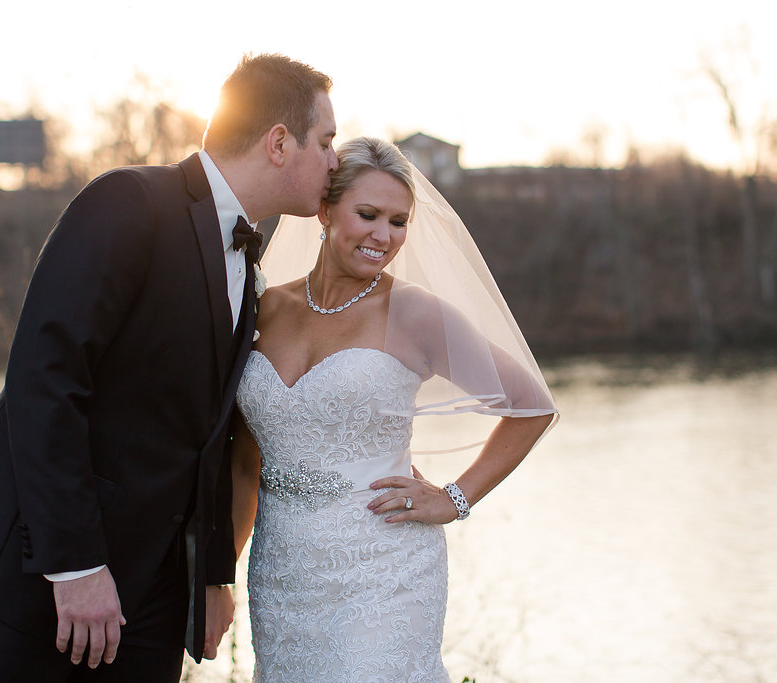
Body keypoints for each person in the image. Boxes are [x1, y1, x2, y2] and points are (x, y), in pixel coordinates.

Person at [0, 53, 338, 682]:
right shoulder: (128, 202)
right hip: (33, 580)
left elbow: (205, 438)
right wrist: (75, 566)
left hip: (150, 599)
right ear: (279, 143)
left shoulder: (248, 268)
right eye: (327, 141)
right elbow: (44, 383)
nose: (335, 161)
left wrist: (209, 575)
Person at [231, 136, 558, 681]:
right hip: (282, 573)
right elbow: (244, 461)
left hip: (385, 571)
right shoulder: (263, 308)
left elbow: (531, 406)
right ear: (325, 209)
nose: (383, 236)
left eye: (399, 221)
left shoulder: (414, 313)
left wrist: (455, 498)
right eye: (368, 215)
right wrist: (221, 578)